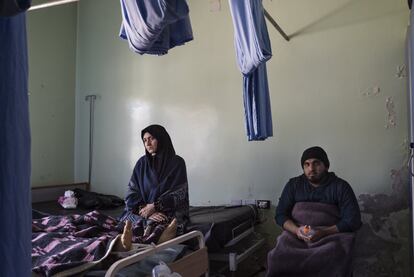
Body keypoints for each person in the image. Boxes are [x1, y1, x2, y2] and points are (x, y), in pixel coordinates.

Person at [266, 146, 362, 277]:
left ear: (326, 166)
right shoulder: (294, 185)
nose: (311, 168)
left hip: (331, 235)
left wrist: (323, 232)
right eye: (307, 164)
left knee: (335, 256)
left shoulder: (340, 186)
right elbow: (280, 215)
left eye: (316, 163)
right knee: (277, 257)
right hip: (297, 235)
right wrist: (297, 231)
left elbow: (353, 220)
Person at [119, 124, 189, 245]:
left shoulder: (177, 163)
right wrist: (144, 209)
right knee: (128, 219)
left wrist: (155, 206)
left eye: (151, 138)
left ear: (161, 139)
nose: (148, 143)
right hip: (142, 212)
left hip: (168, 211)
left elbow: (180, 193)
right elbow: (131, 192)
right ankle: (136, 240)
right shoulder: (142, 163)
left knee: (167, 221)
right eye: (145, 140)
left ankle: (141, 240)